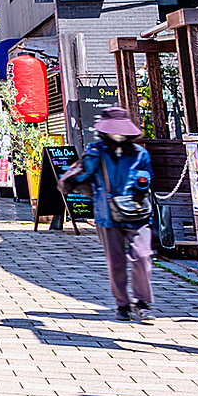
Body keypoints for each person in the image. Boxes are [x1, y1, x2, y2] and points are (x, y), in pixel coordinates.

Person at [60, 107, 155, 322]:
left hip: (137, 212)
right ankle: (122, 305)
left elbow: (147, 176)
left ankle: (141, 302)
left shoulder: (140, 154)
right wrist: (86, 162)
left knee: (142, 256)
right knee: (116, 261)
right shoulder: (96, 151)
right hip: (107, 214)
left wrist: (141, 184)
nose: (118, 135)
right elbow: (81, 174)